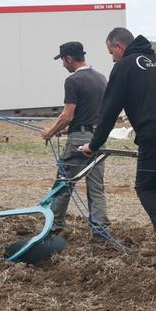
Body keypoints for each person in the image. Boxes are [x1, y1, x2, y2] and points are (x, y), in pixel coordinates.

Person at [81, 28, 156, 274]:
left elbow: (109, 111)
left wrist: (93, 145)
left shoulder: (124, 67)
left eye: (111, 51)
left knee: (145, 186)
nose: (111, 57)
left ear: (119, 46)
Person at [40, 41, 109, 238]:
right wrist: (66, 130)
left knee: (64, 181)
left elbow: (67, 115)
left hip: (79, 140)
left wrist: (51, 132)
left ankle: (53, 226)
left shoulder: (73, 81)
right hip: (99, 138)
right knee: (96, 185)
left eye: (62, 60)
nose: (63, 64)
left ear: (69, 58)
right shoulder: (100, 78)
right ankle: (100, 229)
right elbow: (91, 114)